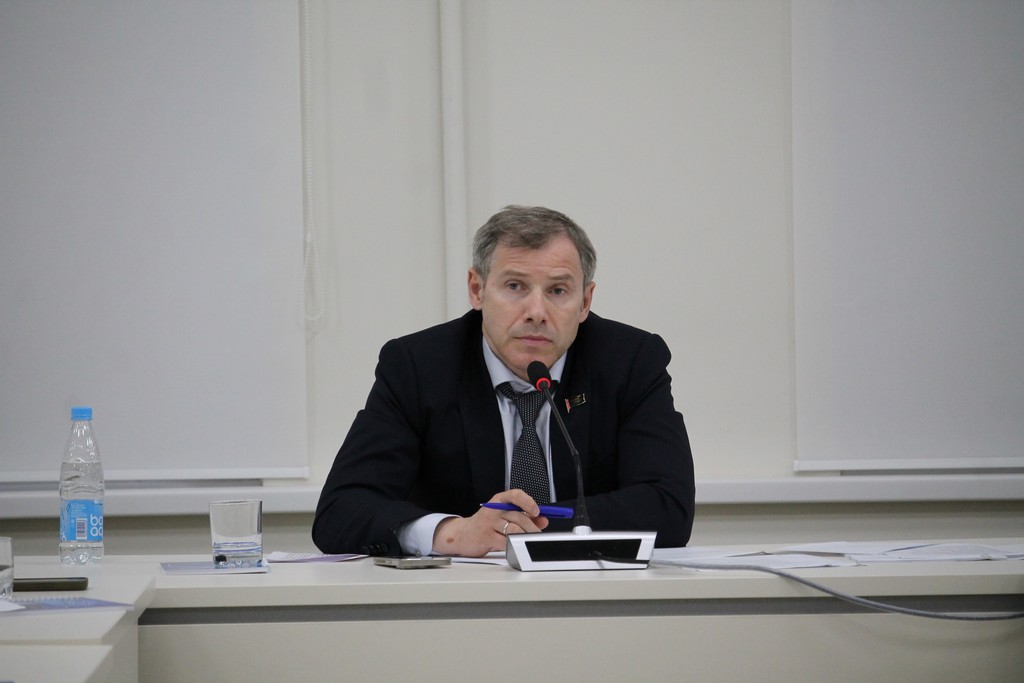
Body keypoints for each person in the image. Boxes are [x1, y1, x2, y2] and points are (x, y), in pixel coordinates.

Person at [313, 205, 695, 557]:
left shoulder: (630, 362)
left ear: (584, 302)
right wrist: (452, 533)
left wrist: (522, 529)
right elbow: (341, 510)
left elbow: (668, 507)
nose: (536, 312)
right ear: (477, 290)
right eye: (515, 286)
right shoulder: (418, 367)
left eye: (558, 290)